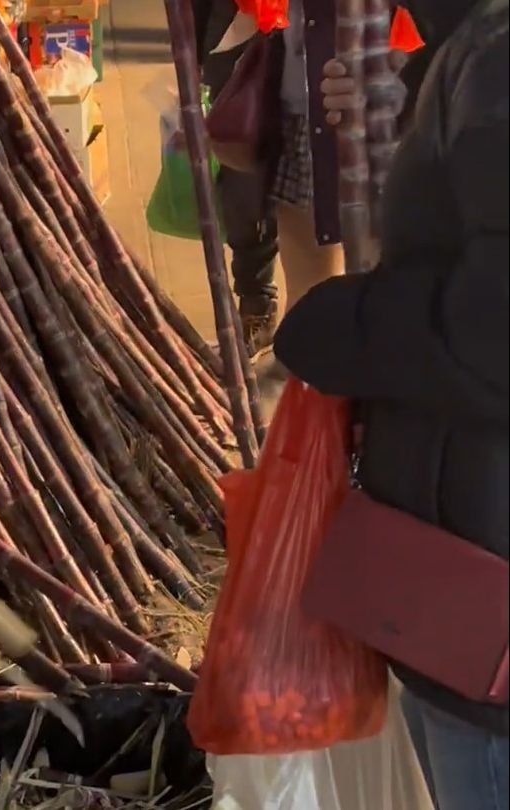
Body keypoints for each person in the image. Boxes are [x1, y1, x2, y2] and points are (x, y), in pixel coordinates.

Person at [276, 1, 508, 808]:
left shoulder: (499, 52)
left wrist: (348, 327)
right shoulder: (476, 47)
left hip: (488, 604)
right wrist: (409, 111)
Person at [194, 0, 281, 357]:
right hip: (236, 24)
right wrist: (195, 50)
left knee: (316, 182)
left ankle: (321, 317)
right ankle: (257, 305)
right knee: (241, 168)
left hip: (318, 25)